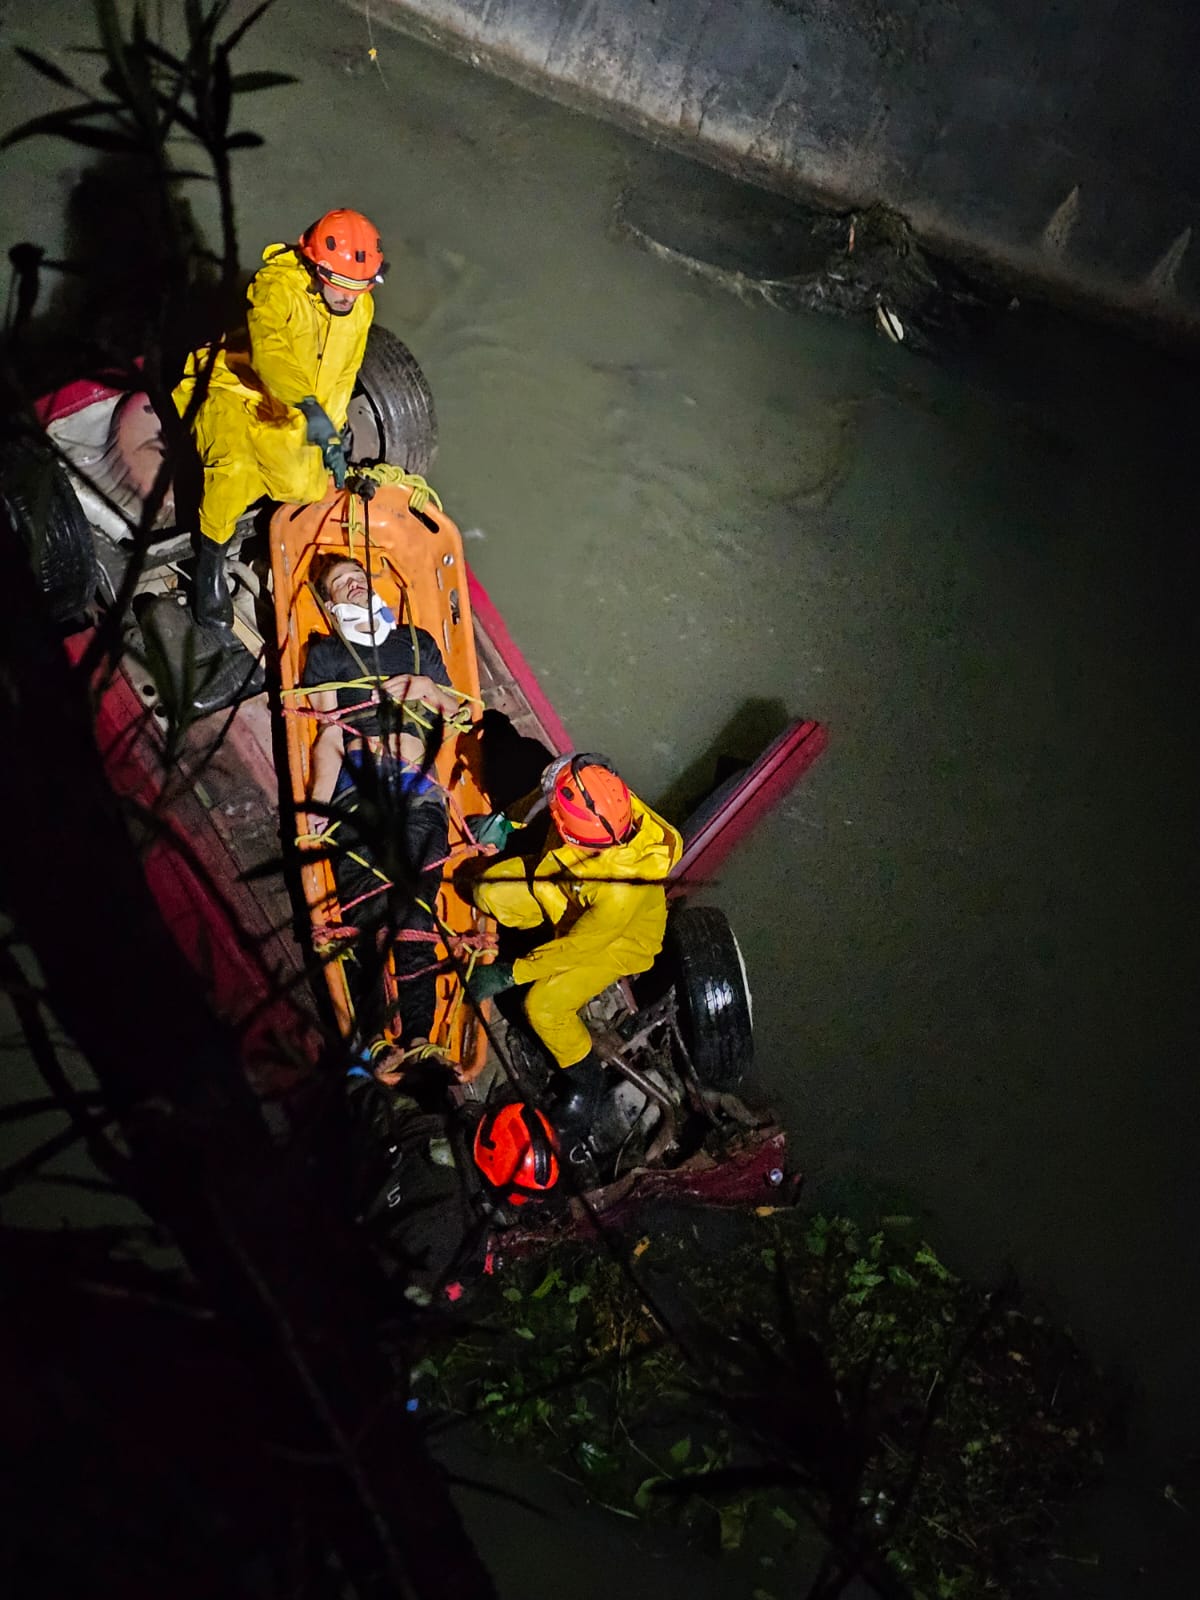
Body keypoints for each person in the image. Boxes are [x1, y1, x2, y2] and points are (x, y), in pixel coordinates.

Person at [174, 209, 386, 631]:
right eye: (341, 287)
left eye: (360, 288)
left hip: (296, 407)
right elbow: (270, 352)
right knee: (232, 474)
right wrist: (309, 408)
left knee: (303, 487)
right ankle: (210, 560)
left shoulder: (358, 307)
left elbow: (344, 372)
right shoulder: (274, 289)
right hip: (234, 389)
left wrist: (333, 431)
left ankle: (272, 526)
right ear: (315, 267)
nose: (348, 299)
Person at [302, 556, 466, 1067]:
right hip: (358, 789)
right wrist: (319, 803)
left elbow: (461, 715)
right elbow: (327, 735)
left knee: (413, 911)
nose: (353, 582)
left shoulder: (416, 643)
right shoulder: (327, 654)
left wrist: (428, 690)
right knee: (365, 913)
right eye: (339, 584)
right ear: (330, 608)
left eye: (358, 574)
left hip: (417, 791)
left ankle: (419, 1036)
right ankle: (373, 1037)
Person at [467, 755, 683, 1141]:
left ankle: (585, 1081)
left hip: (613, 942)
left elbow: (576, 948)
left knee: (543, 1006)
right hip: (564, 885)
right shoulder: (599, 796)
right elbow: (550, 789)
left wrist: (508, 973)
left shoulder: (622, 891)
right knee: (488, 893)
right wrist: (506, 822)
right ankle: (530, 938)